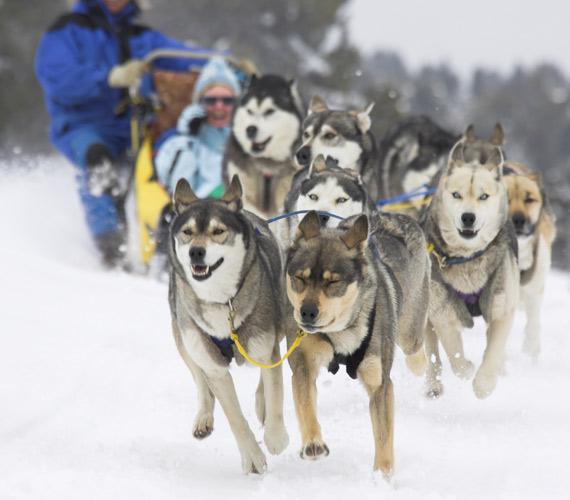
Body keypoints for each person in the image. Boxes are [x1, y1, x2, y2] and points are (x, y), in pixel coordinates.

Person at [35, 0, 210, 267]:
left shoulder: (141, 37)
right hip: (83, 125)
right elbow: (57, 77)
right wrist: (109, 77)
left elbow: (183, 57)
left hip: (134, 126)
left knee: (164, 164)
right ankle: (110, 246)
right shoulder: (67, 31)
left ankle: (163, 242)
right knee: (98, 162)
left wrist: (225, 66)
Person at [154, 57, 240, 199]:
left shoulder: (246, 138)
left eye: (227, 101)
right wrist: (186, 137)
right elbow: (164, 175)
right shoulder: (177, 137)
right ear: (200, 103)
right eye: (211, 101)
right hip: (194, 208)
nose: (219, 106)